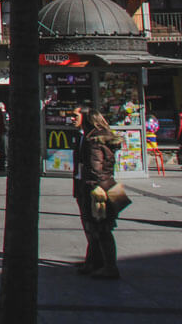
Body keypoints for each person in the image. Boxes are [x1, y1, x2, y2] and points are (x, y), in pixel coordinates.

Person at [72, 107, 124, 279]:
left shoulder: (92, 140)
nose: (71, 118)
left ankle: (108, 266)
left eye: (75, 115)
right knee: (99, 227)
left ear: (87, 119)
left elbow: (95, 166)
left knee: (99, 228)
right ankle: (94, 261)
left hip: (96, 188)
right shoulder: (101, 137)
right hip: (107, 184)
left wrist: (93, 185)